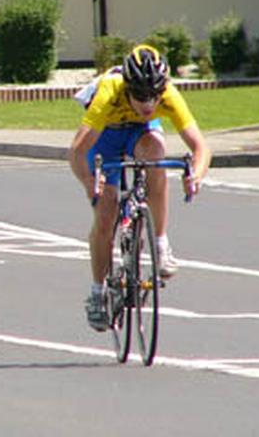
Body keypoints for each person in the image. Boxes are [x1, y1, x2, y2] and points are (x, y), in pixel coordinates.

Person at [68, 44, 211, 331]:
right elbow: (76, 150)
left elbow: (201, 147)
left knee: (157, 153)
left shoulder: (168, 95)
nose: (148, 105)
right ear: (128, 88)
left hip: (140, 135)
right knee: (106, 211)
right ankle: (97, 293)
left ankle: (160, 242)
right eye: (141, 96)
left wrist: (195, 175)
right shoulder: (109, 91)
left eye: (155, 96)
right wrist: (88, 182)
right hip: (105, 136)